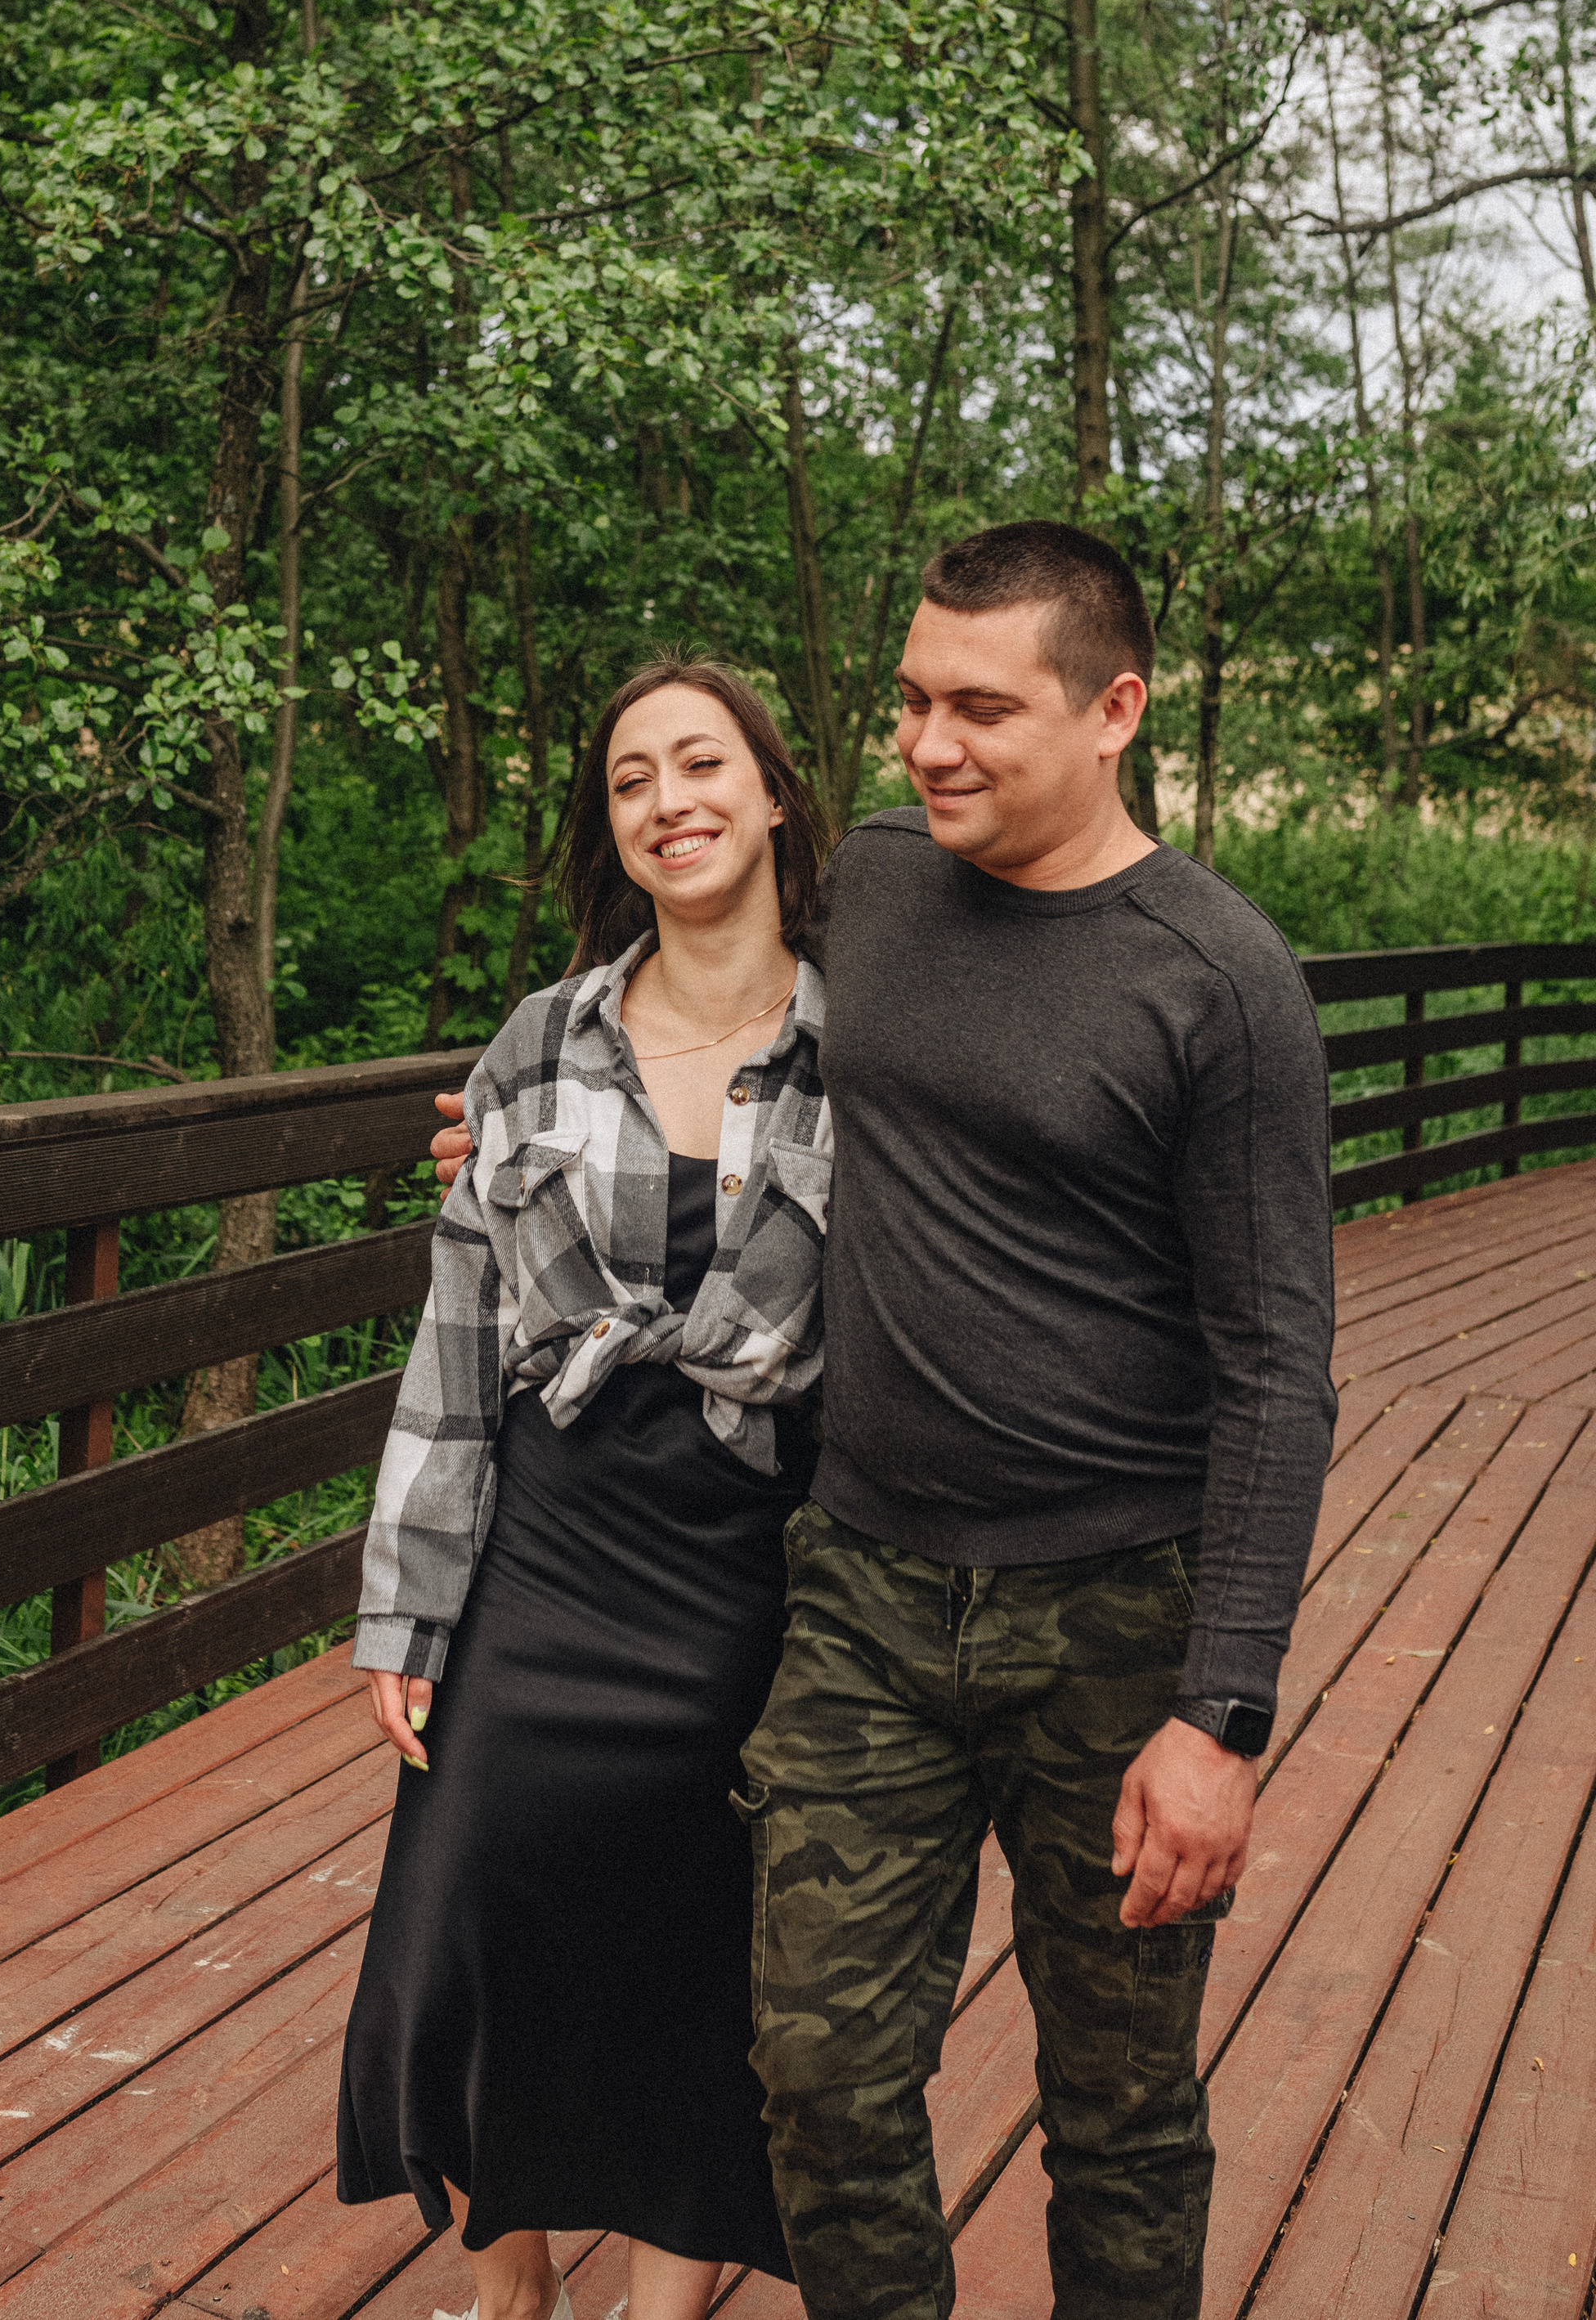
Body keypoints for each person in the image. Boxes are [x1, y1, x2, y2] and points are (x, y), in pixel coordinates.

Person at [430, 523, 1337, 2320]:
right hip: (857, 1587)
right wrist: (524, 1134)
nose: (926, 742)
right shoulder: (877, 883)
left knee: (1117, 2105)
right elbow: (703, 994)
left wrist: (1217, 1717)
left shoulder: (1215, 981)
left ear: (1114, 711)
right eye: (911, 697)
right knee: (821, 2082)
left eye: (979, 706)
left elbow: (1275, 1366)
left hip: (1111, 1613)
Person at [339, 659, 834, 2320]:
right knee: (474, 1918)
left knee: (693, 1949)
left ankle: (663, 2301)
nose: (669, 798)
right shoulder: (538, 1045)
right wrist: (407, 1604)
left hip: (744, 1557)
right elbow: (454, 1342)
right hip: (546, 1545)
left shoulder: (869, 1041)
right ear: (611, 826)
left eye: (702, 761)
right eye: (632, 777)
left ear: (772, 790)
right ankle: (512, 2287)